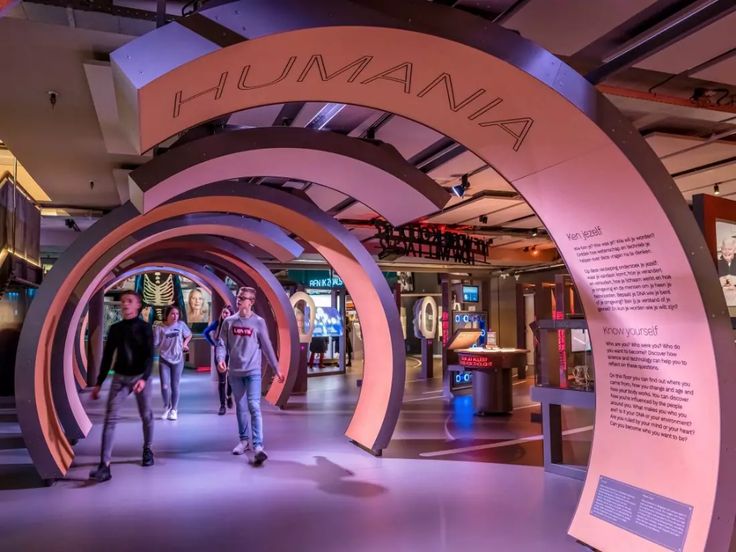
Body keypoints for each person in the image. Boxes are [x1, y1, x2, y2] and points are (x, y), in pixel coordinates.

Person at [89, 290, 154, 483]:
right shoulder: (115, 329)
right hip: (120, 378)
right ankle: (104, 465)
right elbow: (108, 356)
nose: (125, 304)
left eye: (129, 301)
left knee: (146, 415)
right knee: (110, 419)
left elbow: (150, 355)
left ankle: (147, 449)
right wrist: (99, 383)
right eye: (123, 301)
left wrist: (145, 378)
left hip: (140, 377)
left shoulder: (145, 328)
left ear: (137, 305)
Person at [216, 287, 284, 466]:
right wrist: (220, 358)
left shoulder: (259, 322)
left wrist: (277, 369)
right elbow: (221, 342)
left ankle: (259, 446)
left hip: (253, 370)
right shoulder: (229, 322)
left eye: (243, 298)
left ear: (251, 302)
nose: (239, 300)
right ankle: (244, 440)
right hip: (235, 371)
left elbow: (267, 346)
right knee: (240, 406)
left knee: (254, 405)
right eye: (238, 297)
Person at [154, 305, 192, 421]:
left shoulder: (181, 325)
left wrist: (185, 344)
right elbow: (154, 343)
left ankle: (174, 410)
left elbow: (189, 334)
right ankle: (167, 407)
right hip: (164, 359)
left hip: (178, 359)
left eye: (177, 314)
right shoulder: (159, 327)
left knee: (174, 386)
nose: (175, 316)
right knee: (165, 386)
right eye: (172, 314)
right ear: (167, 315)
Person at [204, 305, 234, 415]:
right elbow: (206, 332)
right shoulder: (217, 323)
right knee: (222, 381)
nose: (225, 315)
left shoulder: (234, 324)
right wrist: (213, 344)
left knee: (230, 378)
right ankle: (222, 405)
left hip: (231, 355)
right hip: (220, 353)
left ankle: (229, 395)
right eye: (223, 312)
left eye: (227, 313)